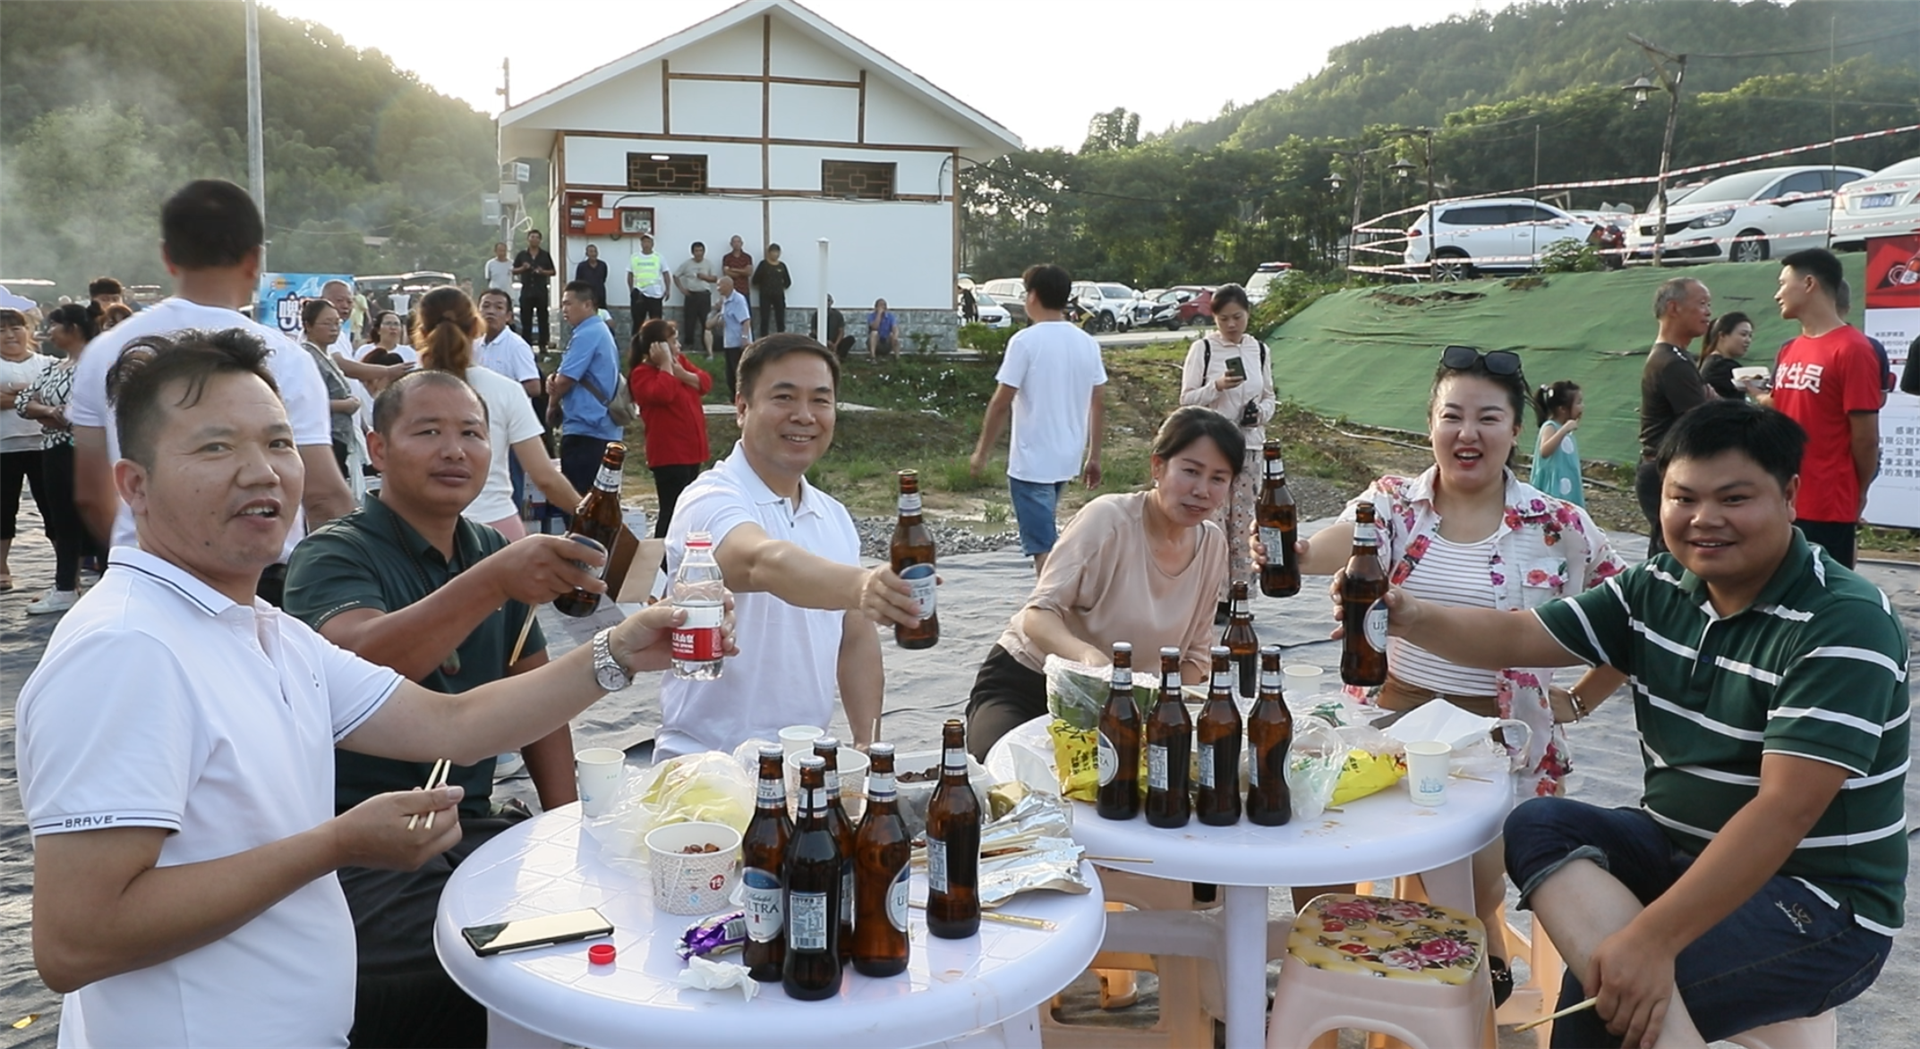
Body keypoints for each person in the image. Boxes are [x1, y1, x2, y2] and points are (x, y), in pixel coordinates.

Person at [18, 331, 726, 1048]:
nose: (261, 472)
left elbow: (453, 725)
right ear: (133, 483)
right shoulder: (127, 649)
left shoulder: (261, 629)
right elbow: (77, 940)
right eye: (215, 448)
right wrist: (338, 843)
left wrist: (619, 652)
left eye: (279, 443)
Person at [1377, 398, 1904, 1047]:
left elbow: (1783, 812)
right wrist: (1407, 614)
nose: (1704, 519)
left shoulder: (1842, 621)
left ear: (1790, 494)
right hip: (1680, 853)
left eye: (1733, 498)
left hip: (1820, 905)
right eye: (1684, 497)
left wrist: (1649, 942)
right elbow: (1518, 636)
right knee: (1542, 822)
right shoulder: (1657, 586)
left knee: (1600, 1001)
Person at [1261, 345, 1625, 1002]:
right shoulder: (1395, 504)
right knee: (1311, 817)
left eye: (1488, 417)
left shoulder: (1558, 524)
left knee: (1470, 873)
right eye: (1452, 415)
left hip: (1495, 730)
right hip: (1395, 713)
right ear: (1430, 424)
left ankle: (1479, 930)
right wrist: (1284, 547)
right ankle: (1327, 957)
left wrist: (1578, 701)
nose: (1468, 433)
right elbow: (1321, 549)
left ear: (1516, 431)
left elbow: (1636, 618)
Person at [283, 370, 601, 1046]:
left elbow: (539, 700)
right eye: (428, 431)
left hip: (473, 826)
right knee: (450, 967)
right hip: (358, 842)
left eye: (472, 433)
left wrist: (571, 826)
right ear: (376, 446)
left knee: (591, 925)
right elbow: (362, 663)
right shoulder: (333, 553)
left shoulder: (492, 550)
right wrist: (489, 584)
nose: (454, 450)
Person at [69, 179, 353, 607]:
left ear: (167, 256)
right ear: (255, 259)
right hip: (260, 584)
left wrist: (135, 553)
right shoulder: (285, 357)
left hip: (143, 580)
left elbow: (92, 495)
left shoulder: (104, 351)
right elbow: (324, 495)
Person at [658, 333, 923, 760]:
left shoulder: (833, 516)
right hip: (706, 762)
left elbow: (855, 639)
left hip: (804, 765)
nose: (804, 416)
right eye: (784, 397)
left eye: (821, 400)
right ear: (742, 408)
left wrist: (866, 743)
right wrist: (862, 585)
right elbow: (761, 562)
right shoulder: (710, 499)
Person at [966, 406, 1236, 758]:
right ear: (1157, 467)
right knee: (1007, 778)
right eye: (1190, 471)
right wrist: (1088, 659)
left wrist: (1165, 712)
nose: (1202, 490)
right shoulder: (1108, 520)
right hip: (1030, 681)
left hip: (1126, 708)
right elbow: (1038, 614)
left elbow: (1197, 656)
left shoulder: (1212, 543)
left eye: (1218, 478)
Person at [970, 264, 1107, 577]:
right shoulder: (1086, 342)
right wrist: (1094, 456)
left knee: (1043, 548)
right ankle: (1062, 605)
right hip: (1067, 459)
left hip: (1032, 464)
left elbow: (1001, 402)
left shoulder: (1025, 342)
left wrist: (981, 452)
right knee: (1048, 540)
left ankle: (1055, 609)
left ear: (1032, 296)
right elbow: (1098, 403)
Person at [413, 287, 580, 541]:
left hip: (419, 532)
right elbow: (545, 478)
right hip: (495, 529)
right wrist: (593, 517)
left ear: (421, 333)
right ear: (475, 328)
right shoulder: (507, 390)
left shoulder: (401, 394)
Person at [1770, 248, 1881, 569]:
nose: (1777, 294)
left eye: (1782, 283)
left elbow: (1865, 438)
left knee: (1823, 602)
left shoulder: (1853, 349)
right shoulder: (1790, 349)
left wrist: (1857, 492)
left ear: (1808, 284)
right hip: (1782, 501)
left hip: (1827, 507)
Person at [1177, 282, 1273, 617]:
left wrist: (1259, 413)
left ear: (1248, 314)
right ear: (1214, 319)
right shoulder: (1203, 350)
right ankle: (1212, 596)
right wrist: (1216, 387)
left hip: (1249, 445)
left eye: (1237, 317)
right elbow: (1186, 399)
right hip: (1213, 448)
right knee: (1213, 518)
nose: (1231, 325)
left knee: (1245, 522)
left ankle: (1240, 594)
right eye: (1223, 320)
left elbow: (1270, 396)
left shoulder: (1258, 350)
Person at [16, 305, 103, 614]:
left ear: (73, 328)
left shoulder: (98, 365)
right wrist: (50, 412)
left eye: (54, 325)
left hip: (90, 453)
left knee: (98, 521)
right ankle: (66, 586)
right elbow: (25, 401)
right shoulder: (55, 367)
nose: (48, 332)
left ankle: (107, 586)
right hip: (54, 451)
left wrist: (55, 412)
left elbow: (84, 410)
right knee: (63, 520)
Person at [1636, 276, 1712, 555]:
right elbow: (1701, 422)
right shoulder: (1671, 363)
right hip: (1663, 469)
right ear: (1673, 308)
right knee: (1670, 555)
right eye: (1701, 303)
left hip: (1663, 467)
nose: (1708, 312)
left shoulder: (1679, 358)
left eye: (1709, 305)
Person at [628, 318, 711, 538]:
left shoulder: (680, 362)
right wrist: (666, 366)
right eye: (673, 342)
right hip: (669, 454)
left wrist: (681, 372)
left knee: (689, 510)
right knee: (671, 511)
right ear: (658, 346)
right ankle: (661, 562)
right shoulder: (641, 374)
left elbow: (705, 382)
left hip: (692, 450)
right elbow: (663, 394)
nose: (678, 346)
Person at [547, 281, 625, 502]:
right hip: (602, 429)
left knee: (580, 503)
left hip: (587, 431)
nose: (564, 309)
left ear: (587, 304)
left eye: (569, 303)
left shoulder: (587, 334)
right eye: (562, 304)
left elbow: (565, 380)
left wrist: (552, 405)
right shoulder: (599, 330)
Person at [0, 307, 54, 593]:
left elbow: (56, 394)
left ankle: (65, 570)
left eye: (16, 328)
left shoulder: (48, 362)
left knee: (54, 507)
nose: (10, 335)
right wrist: (31, 397)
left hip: (43, 444)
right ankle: (1, 568)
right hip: (3, 447)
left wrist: (11, 394)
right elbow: (43, 397)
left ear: (28, 331)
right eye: (2, 331)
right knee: (3, 509)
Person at [299, 298, 361, 479]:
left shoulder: (325, 354)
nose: (334, 328)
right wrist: (345, 405)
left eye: (337, 323)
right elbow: (306, 401)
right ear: (308, 326)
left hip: (338, 437)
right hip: (324, 438)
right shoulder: (307, 356)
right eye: (327, 323)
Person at [1530, 379, 1585, 507]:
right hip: (1555, 489)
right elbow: (1545, 450)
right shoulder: (1551, 426)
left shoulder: (1567, 432)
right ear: (1562, 409)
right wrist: (1564, 429)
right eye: (1578, 403)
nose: (1582, 407)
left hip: (1569, 487)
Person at [710, 274, 752, 401]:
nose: (717, 288)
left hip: (738, 343)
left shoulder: (738, 300)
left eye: (719, 285)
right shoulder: (724, 301)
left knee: (738, 372)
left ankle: (743, 398)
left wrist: (744, 338)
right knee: (730, 375)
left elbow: (746, 320)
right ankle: (734, 398)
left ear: (728, 286)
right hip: (728, 342)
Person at [512, 230, 557, 350]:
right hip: (526, 291)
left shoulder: (544, 255)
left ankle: (543, 344)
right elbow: (513, 270)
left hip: (540, 291)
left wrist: (542, 272)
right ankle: (526, 345)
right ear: (528, 239)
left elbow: (553, 271)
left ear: (540, 240)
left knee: (543, 318)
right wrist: (523, 268)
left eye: (537, 237)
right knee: (526, 318)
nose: (534, 239)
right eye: (532, 237)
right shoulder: (522, 255)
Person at [673, 240, 719, 356]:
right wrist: (682, 289)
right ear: (692, 252)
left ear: (704, 252)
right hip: (691, 295)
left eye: (700, 251)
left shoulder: (708, 264)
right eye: (696, 251)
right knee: (689, 322)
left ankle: (707, 348)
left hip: (704, 295)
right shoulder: (687, 264)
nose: (699, 253)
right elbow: (676, 275)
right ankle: (689, 346)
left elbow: (715, 279)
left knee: (706, 322)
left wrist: (705, 277)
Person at [1696, 311, 1755, 400]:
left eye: (1750, 336)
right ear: (1722, 335)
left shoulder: (1709, 362)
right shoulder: (1724, 367)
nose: (1748, 340)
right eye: (1743, 334)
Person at [625, 232, 667, 327]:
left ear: (652, 244)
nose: (646, 244)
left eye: (648, 241)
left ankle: (656, 341)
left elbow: (666, 273)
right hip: (639, 293)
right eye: (644, 242)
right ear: (641, 244)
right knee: (637, 323)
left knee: (656, 323)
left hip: (655, 294)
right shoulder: (634, 257)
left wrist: (668, 289)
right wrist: (631, 290)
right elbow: (630, 274)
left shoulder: (659, 257)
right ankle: (637, 341)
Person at [751, 243, 791, 337]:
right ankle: (764, 338)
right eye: (773, 252)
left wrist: (779, 287)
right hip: (765, 295)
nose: (775, 254)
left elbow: (788, 281)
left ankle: (782, 337)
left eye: (777, 252)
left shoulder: (782, 266)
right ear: (769, 253)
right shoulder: (763, 264)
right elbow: (755, 280)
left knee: (780, 318)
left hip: (778, 296)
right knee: (764, 318)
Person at [721, 234, 753, 314]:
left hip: (744, 290)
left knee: (745, 314)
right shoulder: (727, 258)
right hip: (730, 291)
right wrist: (742, 271)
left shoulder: (747, 257)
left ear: (742, 243)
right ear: (731, 244)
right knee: (730, 314)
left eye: (738, 242)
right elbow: (726, 273)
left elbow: (748, 272)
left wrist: (734, 269)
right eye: (734, 242)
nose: (736, 244)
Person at [576, 242, 609, 311]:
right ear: (587, 254)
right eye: (591, 252)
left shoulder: (602, 265)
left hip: (600, 294)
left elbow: (604, 278)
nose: (593, 254)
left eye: (595, 251)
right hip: (587, 295)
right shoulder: (582, 266)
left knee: (602, 313)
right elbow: (578, 281)